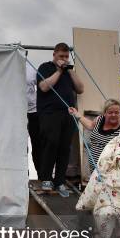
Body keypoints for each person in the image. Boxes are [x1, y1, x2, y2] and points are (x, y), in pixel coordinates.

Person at [36, 42, 84, 197]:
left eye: (66, 56)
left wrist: (70, 72)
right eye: (61, 56)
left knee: (65, 148)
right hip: (49, 113)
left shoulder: (69, 71)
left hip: (68, 114)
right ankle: (46, 179)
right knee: (51, 144)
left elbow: (80, 88)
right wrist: (58, 71)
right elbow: (44, 87)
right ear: (54, 55)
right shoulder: (46, 67)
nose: (64, 59)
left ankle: (60, 181)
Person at [68, 98, 120, 174]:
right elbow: (90, 125)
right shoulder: (99, 119)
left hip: (110, 171)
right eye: (110, 112)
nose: (113, 115)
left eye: (116, 112)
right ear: (104, 113)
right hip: (94, 168)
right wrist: (76, 114)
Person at [26, 60, 40, 174]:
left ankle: (41, 174)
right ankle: (23, 175)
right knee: (20, 146)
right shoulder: (8, 67)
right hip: (16, 112)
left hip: (33, 111)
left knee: (37, 144)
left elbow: (41, 87)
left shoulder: (31, 69)